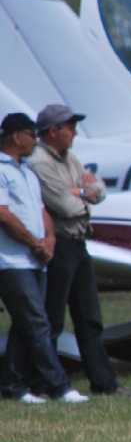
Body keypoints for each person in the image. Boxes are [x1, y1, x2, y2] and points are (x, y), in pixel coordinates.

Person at [29, 104, 128, 396]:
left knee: (89, 316)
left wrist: (81, 192)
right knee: (53, 317)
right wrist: (84, 193)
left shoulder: (70, 158)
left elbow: (99, 190)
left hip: (79, 242)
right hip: (58, 244)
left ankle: (104, 382)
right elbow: (65, 206)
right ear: (53, 131)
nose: (74, 132)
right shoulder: (39, 163)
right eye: (70, 127)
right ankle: (45, 381)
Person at [0, 113, 86, 404]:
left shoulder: (26, 172)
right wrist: (33, 242)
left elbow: (41, 210)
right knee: (37, 323)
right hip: (11, 261)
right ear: (16, 136)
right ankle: (58, 386)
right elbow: (3, 215)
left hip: (35, 259)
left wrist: (49, 239)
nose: (35, 141)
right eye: (31, 135)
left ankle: (12, 385)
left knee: (25, 323)